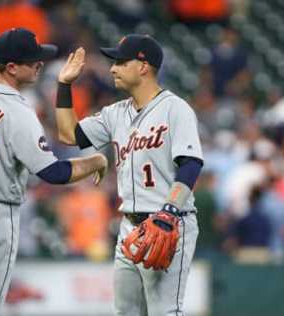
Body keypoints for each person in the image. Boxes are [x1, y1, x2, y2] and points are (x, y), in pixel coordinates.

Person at [0, 27, 108, 316]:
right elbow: (53, 172)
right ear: (12, 67)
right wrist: (95, 161)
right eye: (33, 61)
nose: (39, 65)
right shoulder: (20, 113)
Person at [55, 35, 203, 315]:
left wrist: (168, 213)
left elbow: (191, 163)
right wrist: (64, 85)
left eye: (121, 62)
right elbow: (67, 134)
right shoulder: (115, 113)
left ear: (143, 67)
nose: (112, 69)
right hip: (130, 227)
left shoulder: (175, 108)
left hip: (168, 223)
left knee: (165, 311)